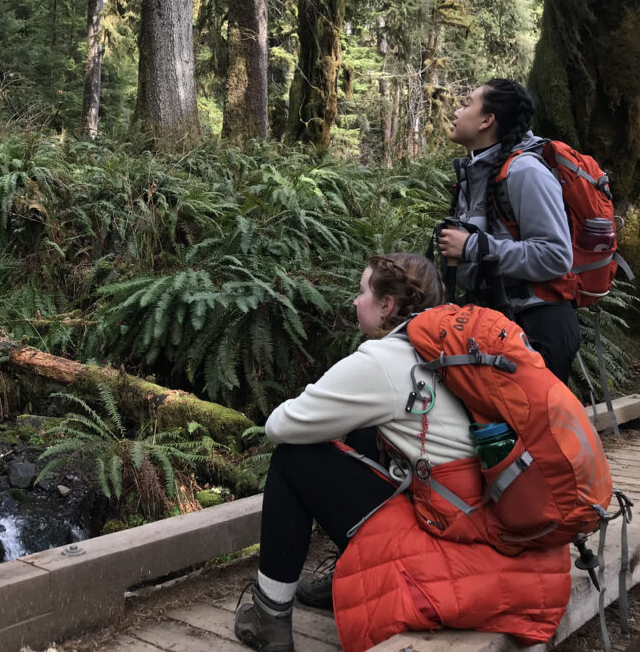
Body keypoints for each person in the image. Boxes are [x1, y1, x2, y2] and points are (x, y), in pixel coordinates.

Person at [233, 253, 570, 652]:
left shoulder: (387, 361)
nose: (355, 301)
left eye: (362, 292)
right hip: (508, 538)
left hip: (462, 551)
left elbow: (279, 426)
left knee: (294, 458)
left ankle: (269, 613)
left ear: (387, 305)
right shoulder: (456, 350)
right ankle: (348, 572)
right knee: (362, 434)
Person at [436, 78, 578, 384]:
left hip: (537, 327)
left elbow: (556, 256)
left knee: (536, 430)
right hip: (493, 324)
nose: (457, 111)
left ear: (487, 121)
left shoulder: (525, 171)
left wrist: (473, 246)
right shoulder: (474, 175)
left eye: (466, 104)